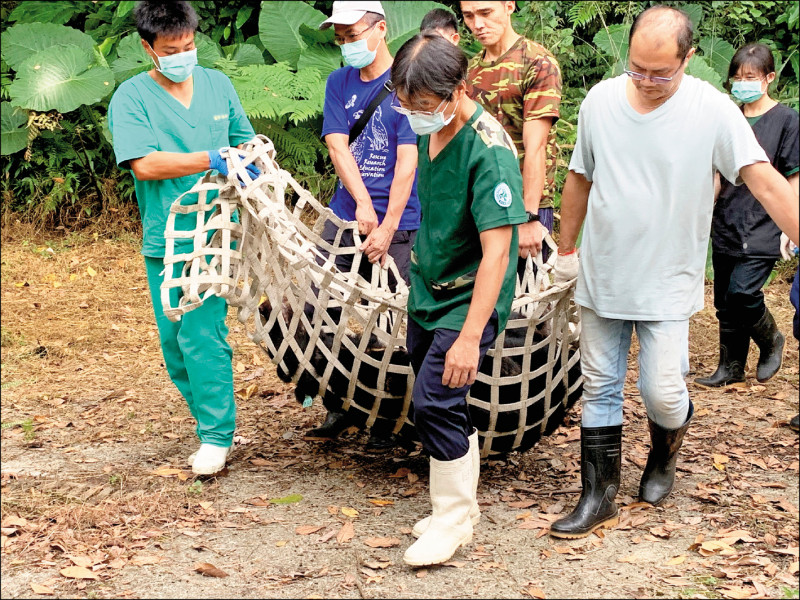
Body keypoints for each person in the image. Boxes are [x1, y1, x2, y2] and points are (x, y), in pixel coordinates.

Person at [548, 5, 800, 539]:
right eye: (637, 68)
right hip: (603, 271)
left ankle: (664, 453)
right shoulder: (600, 101)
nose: (646, 81)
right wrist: (565, 250)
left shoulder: (712, 110)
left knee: (662, 390)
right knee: (600, 385)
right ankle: (598, 496)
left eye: (661, 72)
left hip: (667, 277)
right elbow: (578, 178)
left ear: (688, 58)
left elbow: (766, 181)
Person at [390, 33, 526, 566]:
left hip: (470, 297)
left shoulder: (489, 150)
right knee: (444, 400)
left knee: (434, 400)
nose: (414, 115)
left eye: (422, 107)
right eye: (405, 105)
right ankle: (462, 508)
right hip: (428, 284)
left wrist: (471, 335)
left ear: (458, 90)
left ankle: (449, 520)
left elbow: (498, 254)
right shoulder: (431, 129)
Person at [108, 1, 258, 475]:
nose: (183, 55)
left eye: (189, 46)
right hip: (165, 235)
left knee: (201, 334)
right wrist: (211, 157)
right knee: (174, 345)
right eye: (172, 49)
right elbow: (145, 164)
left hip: (214, 232)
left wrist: (250, 165)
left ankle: (216, 436)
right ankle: (215, 424)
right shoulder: (130, 98)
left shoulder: (217, 84)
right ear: (147, 48)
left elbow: (245, 141)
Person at [309, 0, 420, 452]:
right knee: (316, 306)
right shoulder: (339, 82)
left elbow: (409, 161)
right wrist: (361, 206)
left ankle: (395, 419)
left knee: (394, 320)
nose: (347, 44)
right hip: (344, 216)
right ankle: (341, 400)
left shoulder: (409, 82)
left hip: (402, 220)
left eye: (354, 35)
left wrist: (387, 224)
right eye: (340, 38)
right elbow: (338, 146)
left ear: (380, 29)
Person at [695, 44, 799, 387]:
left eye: (750, 77)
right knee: (724, 301)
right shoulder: (728, 117)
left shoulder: (786, 120)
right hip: (726, 218)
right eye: (737, 77)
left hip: (766, 222)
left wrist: (791, 225)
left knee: (743, 293)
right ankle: (731, 367)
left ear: (768, 78)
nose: (742, 83)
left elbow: (793, 175)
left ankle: (771, 340)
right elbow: (714, 173)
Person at [461, 1, 561, 263]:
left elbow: (536, 146)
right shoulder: (470, 71)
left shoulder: (537, 62)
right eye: (469, 16)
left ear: (509, 6)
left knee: (526, 299)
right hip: (481, 202)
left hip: (525, 203)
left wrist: (528, 215)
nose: (478, 24)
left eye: (485, 13)